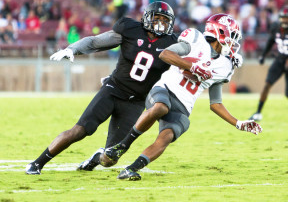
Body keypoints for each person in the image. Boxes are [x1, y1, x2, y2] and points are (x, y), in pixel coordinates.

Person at [95, 14, 263, 180]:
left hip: (183, 105)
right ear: (219, 32)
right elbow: (165, 54)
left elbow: (215, 103)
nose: (234, 42)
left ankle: (131, 169)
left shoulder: (225, 66)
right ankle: (123, 146)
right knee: (161, 107)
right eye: (232, 36)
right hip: (164, 90)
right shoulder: (196, 41)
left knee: (167, 135)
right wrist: (194, 67)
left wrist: (238, 123)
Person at [25, 1, 177, 175]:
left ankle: (96, 158)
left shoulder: (172, 44)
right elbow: (95, 42)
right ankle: (37, 163)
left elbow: (188, 60)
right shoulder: (130, 31)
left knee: (110, 158)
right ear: (146, 18)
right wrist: (72, 49)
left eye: (165, 20)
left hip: (135, 102)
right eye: (156, 18)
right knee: (80, 130)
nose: (160, 23)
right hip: (113, 90)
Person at [249, 5, 288, 121]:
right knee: (267, 84)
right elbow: (271, 41)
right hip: (279, 60)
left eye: (287, 18)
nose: (285, 20)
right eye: (283, 18)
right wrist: (263, 55)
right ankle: (258, 112)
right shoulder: (276, 27)